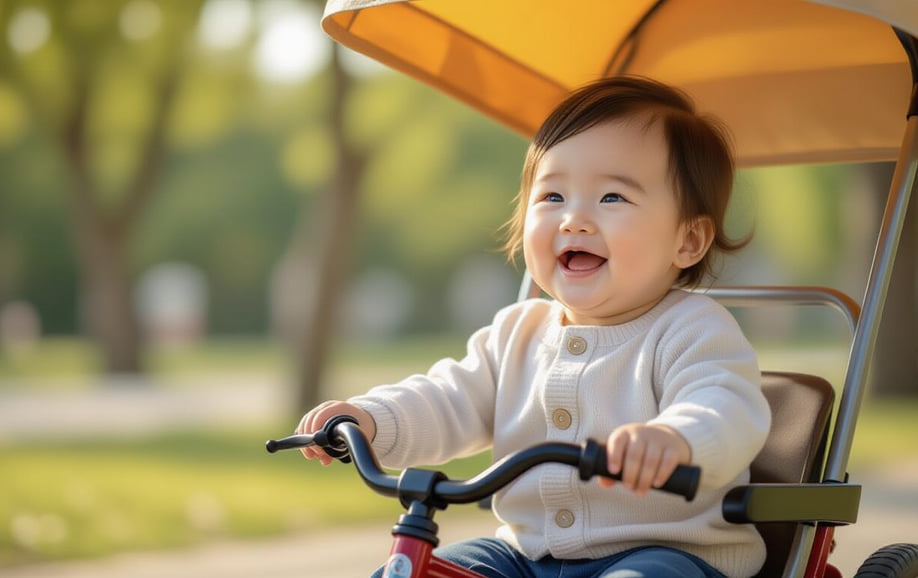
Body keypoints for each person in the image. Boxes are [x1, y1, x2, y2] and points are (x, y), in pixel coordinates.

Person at [296, 76, 771, 578]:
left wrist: (674, 438)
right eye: (552, 197)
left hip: (666, 554)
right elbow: (448, 399)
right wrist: (370, 419)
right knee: (424, 568)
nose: (574, 220)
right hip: (527, 554)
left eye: (612, 197)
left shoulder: (692, 330)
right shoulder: (516, 333)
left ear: (689, 240)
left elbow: (725, 406)